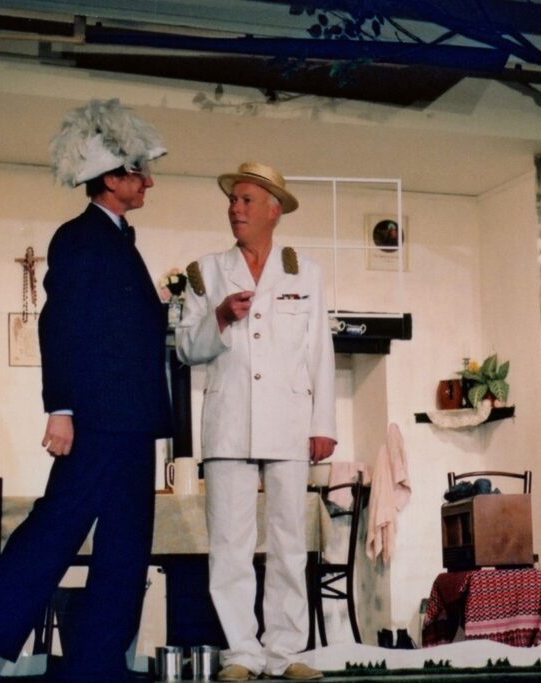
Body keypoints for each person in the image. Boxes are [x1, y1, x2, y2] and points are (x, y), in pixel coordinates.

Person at [0, 99, 171, 682]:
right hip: (96, 418)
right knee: (56, 529)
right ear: (111, 179)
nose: (148, 182)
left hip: (131, 420)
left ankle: (98, 663)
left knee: (125, 546)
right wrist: (60, 409)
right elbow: (61, 324)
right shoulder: (78, 237)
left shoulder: (117, 240)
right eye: (138, 172)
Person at [176, 162, 336, 682]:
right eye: (232, 200)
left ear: (273, 210)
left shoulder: (304, 272)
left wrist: (323, 422)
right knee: (230, 545)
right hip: (229, 422)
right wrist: (220, 316)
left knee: (290, 541)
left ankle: (285, 651)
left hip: (289, 421)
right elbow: (186, 349)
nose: (235, 209)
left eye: (246, 200)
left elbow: (319, 351)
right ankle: (242, 652)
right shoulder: (206, 271)